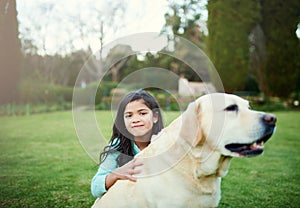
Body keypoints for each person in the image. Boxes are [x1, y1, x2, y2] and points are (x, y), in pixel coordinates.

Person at [91, 89, 164, 198]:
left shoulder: (164, 142)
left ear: (155, 117)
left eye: (142, 113)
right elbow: (95, 188)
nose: (135, 119)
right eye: (129, 115)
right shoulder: (118, 146)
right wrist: (116, 174)